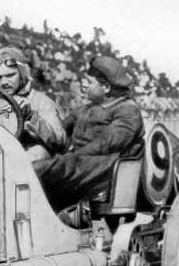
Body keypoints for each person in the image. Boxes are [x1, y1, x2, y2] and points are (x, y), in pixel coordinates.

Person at [34, 55, 145, 210]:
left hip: (104, 168)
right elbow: (61, 133)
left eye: (89, 82)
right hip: (83, 165)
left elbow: (107, 144)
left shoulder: (127, 109)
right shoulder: (85, 109)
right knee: (43, 161)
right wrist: (35, 124)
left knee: (46, 169)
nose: (83, 85)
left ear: (106, 88)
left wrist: (71, 157)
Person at [0, 46, 67, 162]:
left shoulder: (41, 102)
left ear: (22, 73)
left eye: (10, 76)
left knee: (38, 152)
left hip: (26, 161)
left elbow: (60, 140)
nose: (3, 83)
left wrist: (32, 117)